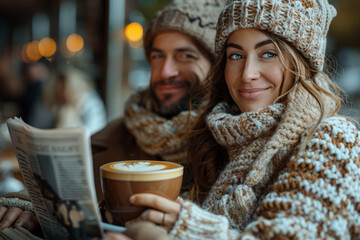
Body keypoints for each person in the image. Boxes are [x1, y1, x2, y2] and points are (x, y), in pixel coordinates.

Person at [103, 0, 360, 239]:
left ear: (301, 62)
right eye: (236, 55)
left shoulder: (333, 137)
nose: (247, 74)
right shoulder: (217, 140)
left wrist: (188, 227)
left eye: (268, 54)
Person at [0, 0, 225, 234]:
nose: (166, 71)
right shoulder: (118, 132)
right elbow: (61, 188)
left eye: (185, 56)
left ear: (217, 66)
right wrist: (26, 205)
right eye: (158, 56)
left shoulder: (232, 144)